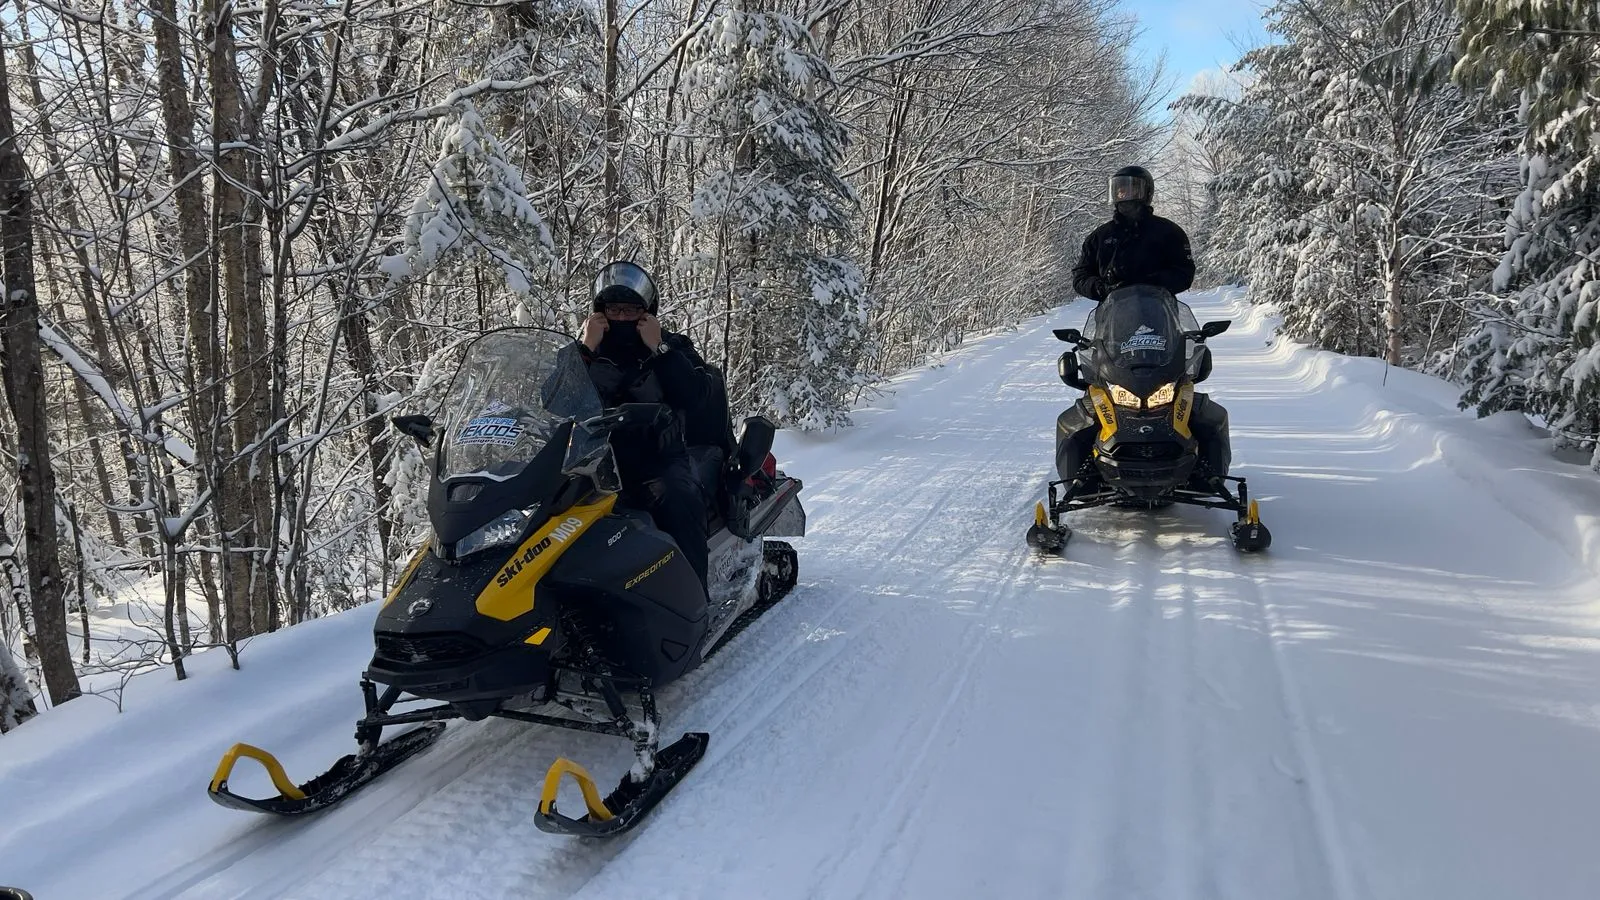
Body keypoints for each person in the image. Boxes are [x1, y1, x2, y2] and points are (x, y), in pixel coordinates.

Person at [576, 261, 717, 589]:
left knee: (677, 495)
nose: (622, 317)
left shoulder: (671, 346)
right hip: (591, 464)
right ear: (600, 312)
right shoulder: (586, 351)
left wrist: (661, 349)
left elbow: (696, 396)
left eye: (630, 310)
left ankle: (694, 595)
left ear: (646, 313)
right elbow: (552, 402)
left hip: (660, 458)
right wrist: (585, 348)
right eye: (614, 309)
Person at [1071, 165, 1196, 302]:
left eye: (1132, 190)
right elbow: (1081, 276)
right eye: (1120, 191)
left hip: (1160, 312)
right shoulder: (1099, 237)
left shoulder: (1169, 232)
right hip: (1112, 315)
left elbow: (1184, 272)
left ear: (1146, 192)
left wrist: (1152, 282)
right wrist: (1102, 288)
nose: (1124, 195)